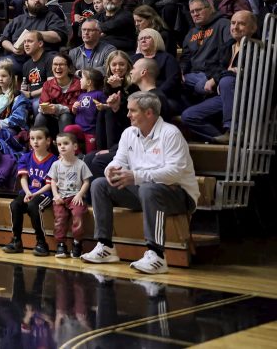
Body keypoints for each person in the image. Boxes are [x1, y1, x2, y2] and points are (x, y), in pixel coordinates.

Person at [81, 92, 199, 274]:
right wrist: (111, 169)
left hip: (179, 195)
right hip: (143, 191)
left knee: (149, 189)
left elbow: (174, 174)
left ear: (149, 113)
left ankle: (157, 255)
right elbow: (118, 160)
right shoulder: (129, 133)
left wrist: (136, 176)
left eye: (132, 111)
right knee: (99, 185)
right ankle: (105, 246)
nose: (128, 115)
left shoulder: (171, 133)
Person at [181, 10, 257, 144]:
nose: (235, 27)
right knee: (188, 116)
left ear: (253, 28)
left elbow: (252, 73)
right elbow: (212, 67)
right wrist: (223, 75)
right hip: (224, 95)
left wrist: (225, 76)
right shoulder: (228, 46)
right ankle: (228, 139)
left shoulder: (258, 48)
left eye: (241, 24)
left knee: (227, 81)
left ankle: (233, 129)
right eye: (233, 23)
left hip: (247, 96)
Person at [2, 127, 56, 256]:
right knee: (15, 204)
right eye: (32, 139)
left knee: (33, 206)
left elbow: (49, 185)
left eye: (39, 138)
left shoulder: (54, 160)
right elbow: (24, 178)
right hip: (28, 192)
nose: (35, 141)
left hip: (44, 193)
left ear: (48, 141)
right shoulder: (26, 157)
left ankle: (42, 242)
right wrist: (27, 192)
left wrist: (34, 194)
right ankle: (16, 240)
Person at [48, 132, 93, 259]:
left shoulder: (81, 164)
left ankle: (77, 242)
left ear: (75, 147)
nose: (62, 147)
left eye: (66, 143)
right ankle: (61, 245)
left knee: (78, 216)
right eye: (59, 144)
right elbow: (53, 181)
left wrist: (79, 195)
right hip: (61, 198)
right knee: (60, 219)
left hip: (75, 198)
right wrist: (56, 195)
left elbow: (86, 182)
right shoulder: (56, 165)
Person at [179, 0, 233, 100]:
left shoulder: (223, 24)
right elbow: (186, 57)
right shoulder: (191, 33)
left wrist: (215, 76)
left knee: (200, 87)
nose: (195, 14)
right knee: (173, 82)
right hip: (193, 75)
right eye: (192, 12)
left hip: (212, 73)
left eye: (198, 10)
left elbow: (229, 50)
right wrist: (180, 71)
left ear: (210, 8)